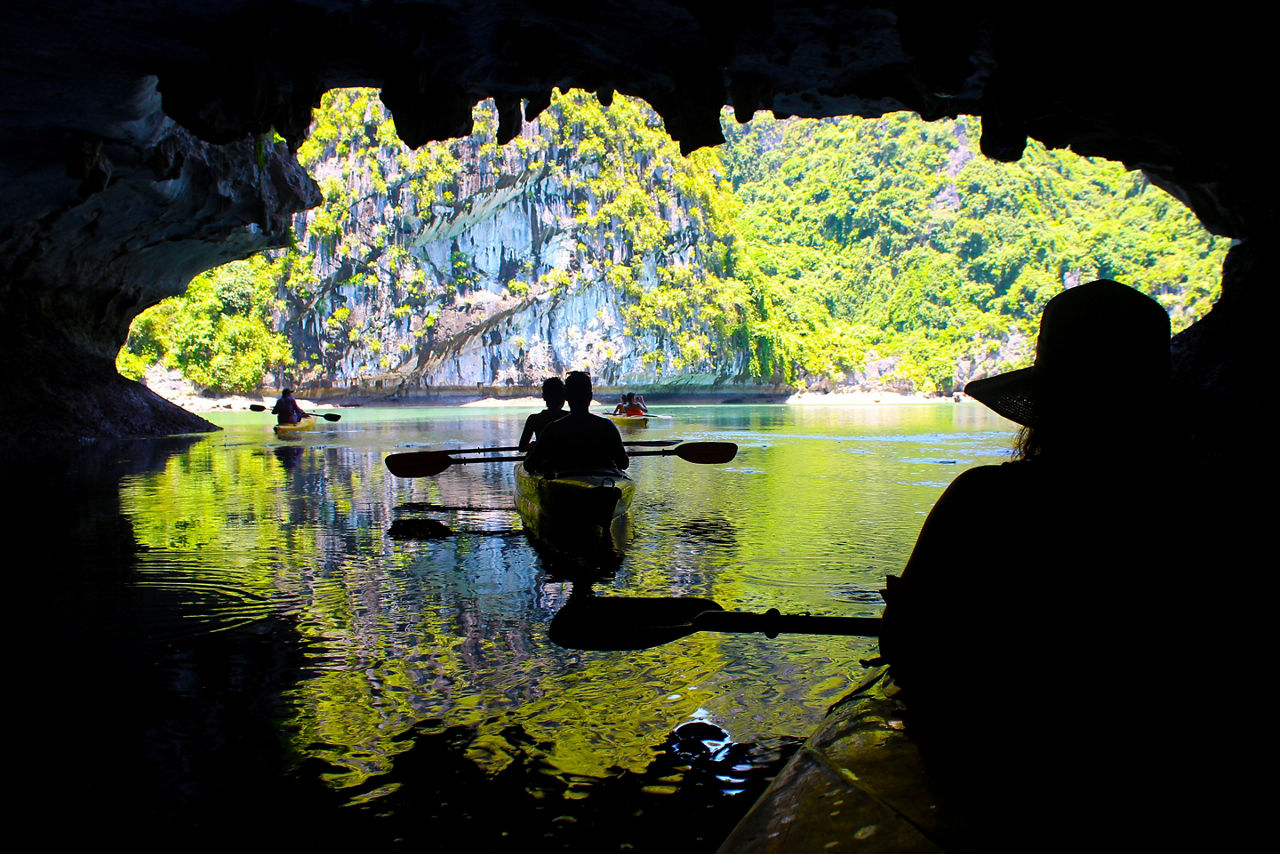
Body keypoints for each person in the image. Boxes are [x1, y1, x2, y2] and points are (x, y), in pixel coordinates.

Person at [876, 280, 1244, 844]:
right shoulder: (1217, 511)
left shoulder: (985, 502)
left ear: (1048, 400)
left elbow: (908, 644)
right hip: (1168, 790)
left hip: (1009, 791)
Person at [525, 372, 628, 474]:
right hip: (604, 480)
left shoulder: (552, 429)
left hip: (563, 482)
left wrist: (531, 452)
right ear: (590, 396)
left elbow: (529, 465)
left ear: (566, 397)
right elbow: (623, 463)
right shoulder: (607, 426)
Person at [518, 376, 567, 451]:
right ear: (564, 397)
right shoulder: (571, 418)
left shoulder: (533, 419)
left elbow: (522, 447)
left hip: (543, 461)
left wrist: (535, 445)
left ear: (544, 397)